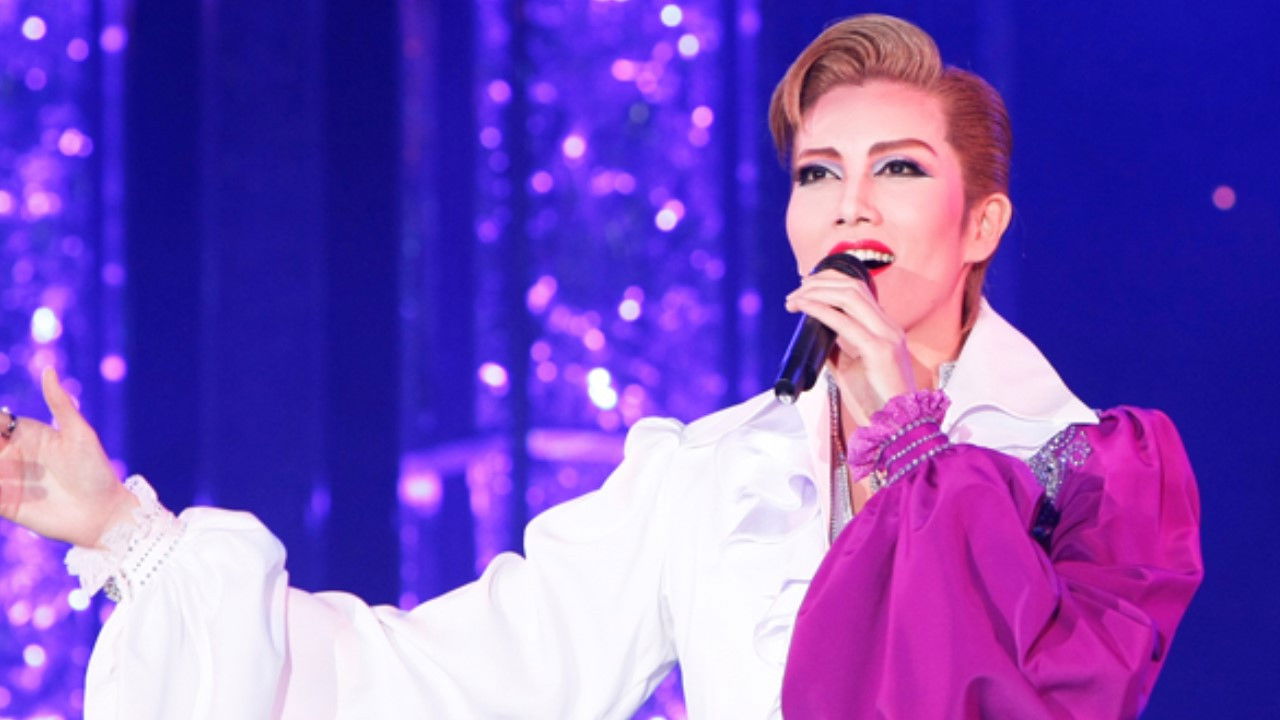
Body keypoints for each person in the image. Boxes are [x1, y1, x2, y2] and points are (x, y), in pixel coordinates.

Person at [0, 14, 1200, 720]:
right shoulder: (714, 472)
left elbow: (1021, 696)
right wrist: (128, 537)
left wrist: (911, 447)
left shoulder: (1084, 467)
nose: (849, 204)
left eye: (896, 168)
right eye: (816, 173)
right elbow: (462, 674)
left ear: (980, 223)